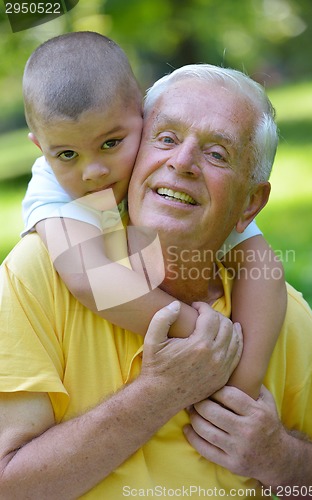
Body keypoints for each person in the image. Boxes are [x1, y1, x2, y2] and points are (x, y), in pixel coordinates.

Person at [0, 62, 312, 499]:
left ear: (250, 204)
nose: (183, 162)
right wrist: (159, 392)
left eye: (217, 154)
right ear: (137, 149)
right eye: (167, 138)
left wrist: (277, 458)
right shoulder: (38, 274)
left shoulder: (278, 313)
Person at [20, 31, 286, 400]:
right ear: (41, 147)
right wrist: (198, 333)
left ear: (142, 117)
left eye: (111, 144)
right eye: (67, 155)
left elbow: (262, 267)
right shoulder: (51, 187)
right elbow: (90, 278)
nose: (93, 171)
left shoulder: (168, 159)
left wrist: (242, 384)